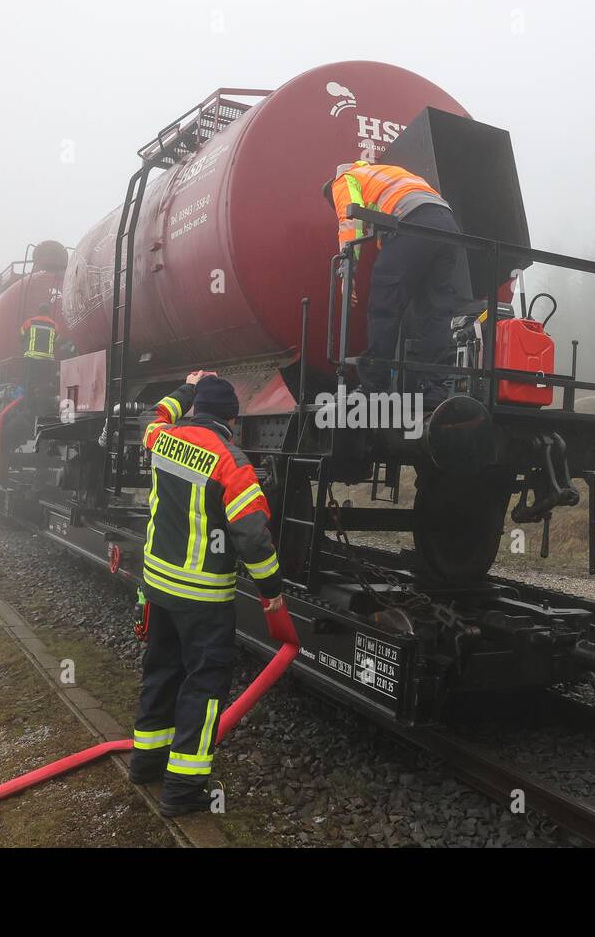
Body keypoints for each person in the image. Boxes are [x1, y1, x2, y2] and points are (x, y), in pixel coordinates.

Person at [130, 371, 297, 816]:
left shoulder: (161, 437)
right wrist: (272, 592)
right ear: (232, 419)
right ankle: (182, 792)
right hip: (202, 598)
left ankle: (145, 763)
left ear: (195, 409)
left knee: (161, 670)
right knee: (203, 688)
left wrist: (184, 387)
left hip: (158, 585)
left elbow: (150, 415)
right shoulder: (231, 462)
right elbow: (253, 539)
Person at [323, 161, 461, 402]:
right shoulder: (385, 174)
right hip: (447, 223)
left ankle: (373, 386)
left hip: (413, 222)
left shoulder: (344, 180)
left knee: (384, 303)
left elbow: (349, 221)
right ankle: (435, 389)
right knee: (435, 311)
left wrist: (348, 272)